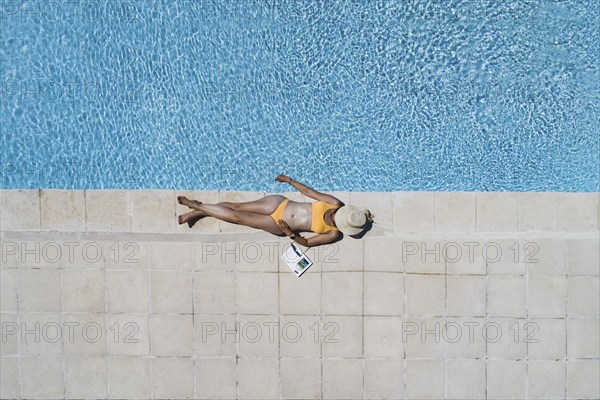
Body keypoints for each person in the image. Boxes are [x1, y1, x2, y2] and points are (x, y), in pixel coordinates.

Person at [177, 174, 373, 247]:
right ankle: (198, 209)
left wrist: (289, 233)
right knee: (237, 207)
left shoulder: (332, 234)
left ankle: (198, 207)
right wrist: (288, 180)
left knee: (237, 217)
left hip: (279, 225)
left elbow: (306, 243)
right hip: (279, 204)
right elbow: (308, 192)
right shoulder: (333, 203)